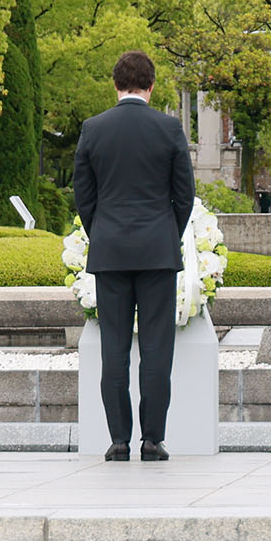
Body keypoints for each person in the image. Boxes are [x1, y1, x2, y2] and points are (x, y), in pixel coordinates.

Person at [71, 51, 195, 461]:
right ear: (152, 85)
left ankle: (119, 440)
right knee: (158, 349)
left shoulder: (93, 129)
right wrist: (166, 233)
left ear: (115, 84)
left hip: (110, 251)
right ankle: (153, 439)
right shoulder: (169, 128)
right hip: (158, 250)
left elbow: (83, 196)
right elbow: (184, 194)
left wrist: (102, 233)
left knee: (115, 349)